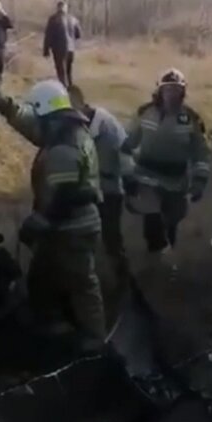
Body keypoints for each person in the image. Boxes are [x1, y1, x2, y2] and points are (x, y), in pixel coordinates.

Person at [0, 80, 106, 351]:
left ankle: (97, 342)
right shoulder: (64, 130)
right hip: (66, 227)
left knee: (81, 283)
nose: (35, 122)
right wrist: (8, 107)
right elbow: (32, 127)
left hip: (72, 229)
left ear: (45, 112)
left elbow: (65, 195)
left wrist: (39, 223)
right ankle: (53, 329)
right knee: (43, 279)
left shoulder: (64, 146)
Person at [121, 69, 210, 260]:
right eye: (167, 89)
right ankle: (155, 256)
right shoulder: (145, 114)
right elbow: (127, 145)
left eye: (176, 90)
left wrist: (200, 180)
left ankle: (164, 261)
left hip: (176, 181)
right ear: (160, 92)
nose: (172, 94)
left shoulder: (191, 119)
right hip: (146, 176)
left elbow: (200, 152)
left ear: (183, 93)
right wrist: (126, 173)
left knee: (172, 221)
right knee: (152, 221)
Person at [68, 83, 133, 297]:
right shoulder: (76, 127)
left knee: (111, 239)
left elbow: (125, 153)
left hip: (111, 190)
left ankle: (124, 284)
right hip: (90, 192)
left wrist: (130, 180)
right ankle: (92, 283)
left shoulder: (105, 124)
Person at [43, 1, 82, 86]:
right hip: (71, 49)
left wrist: (46, 50)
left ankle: (64, 91)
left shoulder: (53, 19)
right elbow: (78, 34)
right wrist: (72, 39)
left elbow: (48, 35)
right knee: (68, 72)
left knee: (61, 72)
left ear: (58, 8)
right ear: (66, 8)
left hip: (58, 49)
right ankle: (71, 91)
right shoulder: (73, 19)